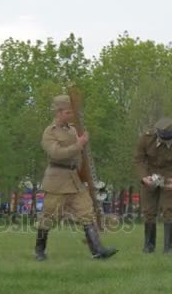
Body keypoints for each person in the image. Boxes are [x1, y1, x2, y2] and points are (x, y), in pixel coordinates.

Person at [34, 94, 118, 261]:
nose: (71, 115)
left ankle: (97, 250)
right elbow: (56, 154)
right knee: (49, 217)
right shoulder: (50, 133)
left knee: (87, 213)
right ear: (58, 112)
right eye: (67, 112)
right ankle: (39, 250)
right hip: (57, 181)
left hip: (75, 179)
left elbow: (81, 155)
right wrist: (78, 145)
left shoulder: (73, 130)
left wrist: (84, 166)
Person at [133, 116, 172, 254]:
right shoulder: (146, 139)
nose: (165, 142)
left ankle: (168, 248)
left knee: (169, 210)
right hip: (150, 176)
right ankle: (149, 246)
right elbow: (138, 159)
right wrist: (143, 177)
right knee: (149, 212)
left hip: (170, 178)